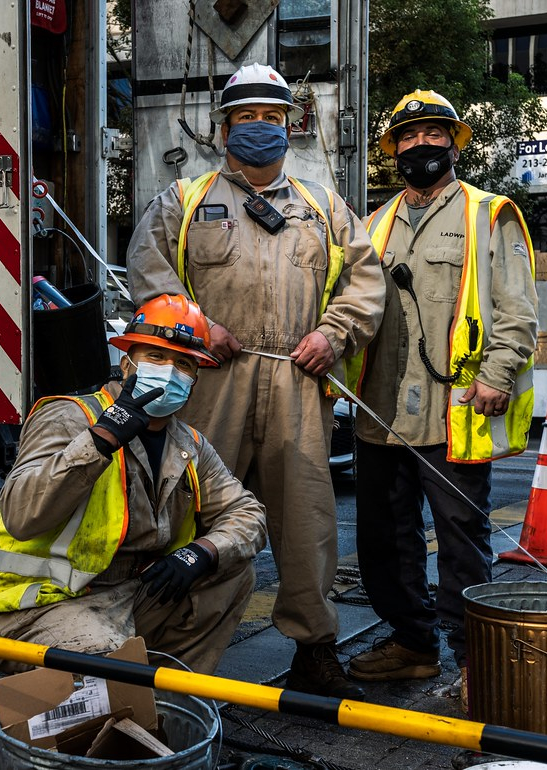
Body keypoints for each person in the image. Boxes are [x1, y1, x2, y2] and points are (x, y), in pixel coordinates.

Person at [127, 63, 385, 698]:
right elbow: (147, 271)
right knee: (192, 514)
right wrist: (196, 327)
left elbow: (366, 280)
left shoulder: (324, 209)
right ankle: (174, 640)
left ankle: (314, 647)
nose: (260, 128)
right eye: (247, 117)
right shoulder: (183, 204)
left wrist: (334, 333)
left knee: (307, 522)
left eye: (271, 117)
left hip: (298, 380)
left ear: (290, 127)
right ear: (223, 128)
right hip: (211, 379)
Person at [0, 295, 267, 675]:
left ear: (194, 382)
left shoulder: (188, 445)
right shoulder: (71, 417)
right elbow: (21, 516)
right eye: (155, 357)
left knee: (232, 573)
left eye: (184, 364)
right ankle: (102, 711)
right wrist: (100, 440)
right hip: (34, 603)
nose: (169, 372)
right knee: (105, 661)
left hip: (124, 595)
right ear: (126, 364)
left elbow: (247, 513)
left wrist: (201, 551)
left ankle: (163, 703)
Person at [347, 90, 539, 699]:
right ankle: (412, 644)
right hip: (380, 414)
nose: (419, 145)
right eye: (407, 137)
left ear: (453, 143)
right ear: (392, 151)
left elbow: (518, 311)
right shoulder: (373, 224)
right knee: (384, 538)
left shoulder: (489, 214)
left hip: (454, 412)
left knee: (461, 543)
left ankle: (470, 662)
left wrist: (498, 375)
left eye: (432, 134)